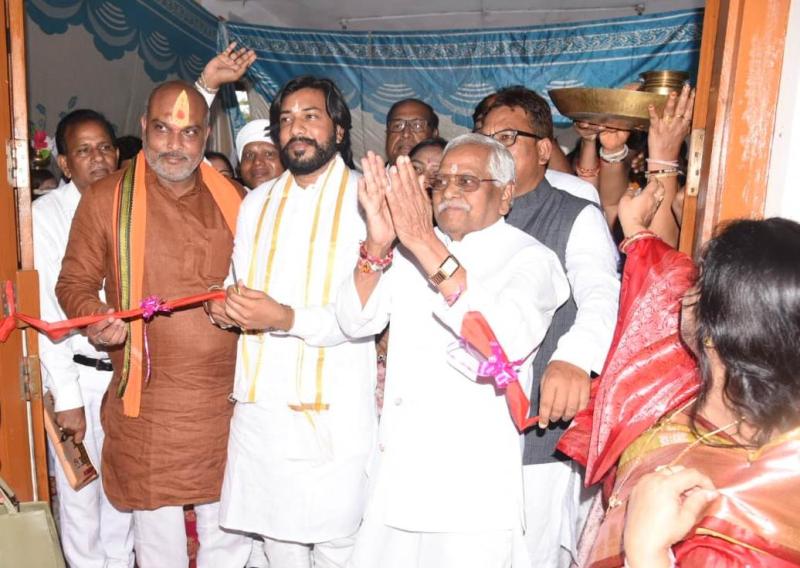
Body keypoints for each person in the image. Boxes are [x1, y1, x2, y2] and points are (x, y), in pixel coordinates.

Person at [338, 134, 570, 568]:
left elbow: (503, 341)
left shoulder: (531, 259)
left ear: (505, 195)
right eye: (441, 181)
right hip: (397, 478)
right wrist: (377, 245)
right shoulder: (410, 254)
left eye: (467, 181)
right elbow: (354, 321)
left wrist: (425, 243)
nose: (448, 191)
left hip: (470, 494)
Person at [558, 181, 800, 567]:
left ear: (720, 330)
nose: (684, 290)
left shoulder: (745, 512)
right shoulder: (694, 386)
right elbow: (660, 281)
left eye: (699, 282)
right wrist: (636, 229)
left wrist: (647, 551)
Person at [56, 81, 246, 567]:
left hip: (226, 402)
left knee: (230, 534)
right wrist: (95, 318)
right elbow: (73, 282)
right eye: (162, 129)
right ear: (143, 127)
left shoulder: (238, 200)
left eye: (188, 133)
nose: (174, 144)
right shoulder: (106, 198)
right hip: (149, 405)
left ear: (205, 136)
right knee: (158, 542)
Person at [207, 75, 375, 568]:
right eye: (286, 119)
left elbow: (367, 315)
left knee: (340, 545)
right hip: (264, 411)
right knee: (278, 543)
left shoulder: (367, 199)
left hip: (334, 412)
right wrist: (225, 305)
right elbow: (237, 280)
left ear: (338, 130)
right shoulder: (257, 203)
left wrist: (282, 317)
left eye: (310, 116)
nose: (296, 128)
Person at [478, 87, 620, 566]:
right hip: (467, 430)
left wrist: (575, 358)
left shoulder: (573, 213)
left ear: (543, 149)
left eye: (506, 138)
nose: (492, 150)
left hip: (537, 431)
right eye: (483, 139)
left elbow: (601, 292)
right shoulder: (463, 216)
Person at [34, 109, 135, 568]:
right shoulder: (45, 216)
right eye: (84, 150)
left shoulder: (128, 206)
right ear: (64, 163)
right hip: (77, 376)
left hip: (127, 374)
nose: (98, 159)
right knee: (81, 501)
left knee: (123, 492)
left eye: (105, 148)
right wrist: (68, 397)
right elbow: (48, 312)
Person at [384, 98, 439, 165]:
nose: (406, 134)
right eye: (397, 126)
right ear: (387, 133)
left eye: (417, 126)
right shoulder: (371, 172)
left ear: (434, 135)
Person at [235, 118, 285, 189]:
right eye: (249, 155)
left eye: (269, 154)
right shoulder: (231, 195)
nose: (257, 162)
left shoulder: (299, 194)